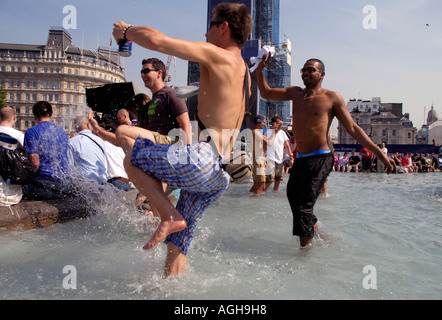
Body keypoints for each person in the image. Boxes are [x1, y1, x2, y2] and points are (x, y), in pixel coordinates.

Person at [112, 2, 252, 277]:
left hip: (203, 159)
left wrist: (126, 31)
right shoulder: (243, 70)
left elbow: (156, 41)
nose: (205, 34)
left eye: (210, 25)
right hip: (218, 176)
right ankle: (170, 293)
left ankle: (168, 214)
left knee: (131, 157)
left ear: (223, 28)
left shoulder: (217, 54)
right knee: (179, 243)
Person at [257, 56, 394, 248]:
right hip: (302, 158)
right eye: (303, 69)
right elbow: (266, 92)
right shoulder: (295, 93)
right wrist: (260, 68)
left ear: (322, 74)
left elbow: (353, 129)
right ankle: (317, 235)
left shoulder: (331, 98)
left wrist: (379, 153)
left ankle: (305, 257)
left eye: (311, 69)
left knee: (303, 204)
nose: (305, 73)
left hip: (321, 156)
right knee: (293, 197)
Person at [22, 101, 72, 200]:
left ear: (35, 116)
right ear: (51, 115)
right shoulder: (61, 132)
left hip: (44, 184)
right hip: (64, 184)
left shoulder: (31, 132)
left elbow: (35, 162)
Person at [68, 116, 108, 185]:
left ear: (76, 128)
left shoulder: (72, 142)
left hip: (84, 183)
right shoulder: (99, 140)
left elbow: (70, 166)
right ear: (88, 125)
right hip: (102, 181)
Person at [264, 116, 292, 192]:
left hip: (280, 160)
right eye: (279, 123)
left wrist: (291, 158)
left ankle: (275, 196)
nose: (281, 125)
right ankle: (263, 194)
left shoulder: (283, 133)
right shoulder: (268, 132)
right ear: (274, 123)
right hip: (270, 159)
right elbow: (265, 146)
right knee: (269, 180)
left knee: (278, 180)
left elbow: (287, 145)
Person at [250, 115, 267, 195]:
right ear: (258, 122)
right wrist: (275, 132)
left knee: (257, 183)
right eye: (263, 122)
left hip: (259, 159)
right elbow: (269, 142)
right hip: (258, 159)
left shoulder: (256, 132)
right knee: (261, 182)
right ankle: (256, 200)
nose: (264, 124)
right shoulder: (255, 132)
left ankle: (250, 198)